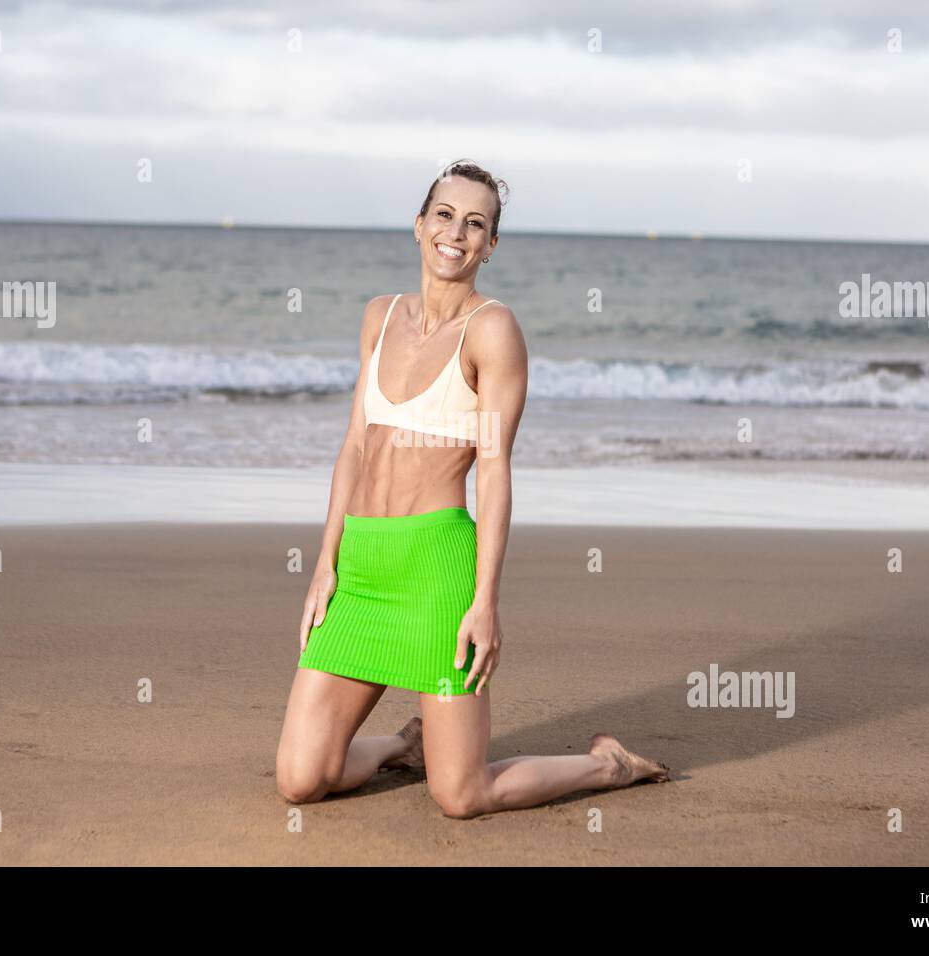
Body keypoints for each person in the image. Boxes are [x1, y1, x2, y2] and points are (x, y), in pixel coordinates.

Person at [275, 159, 669, 819]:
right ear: (419, 225)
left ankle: (608, 765)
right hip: (361, 565)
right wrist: (325, 563)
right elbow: (353, 446)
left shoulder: (492, 331)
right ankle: (405, 746)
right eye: (445, 215)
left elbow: (495, 469)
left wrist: (485, 601)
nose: (456, 233)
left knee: (461, 795)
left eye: (476, 223)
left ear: (490, 245)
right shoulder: (379, 316)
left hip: (435, 568)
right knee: (299, 779)